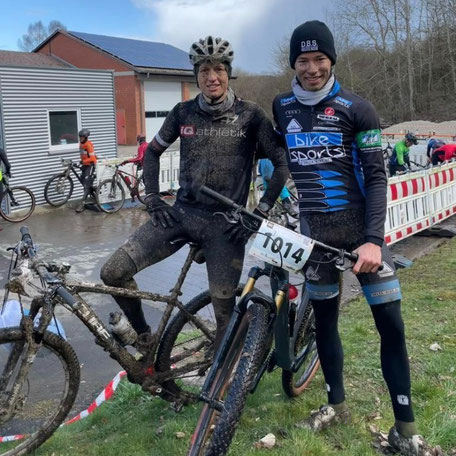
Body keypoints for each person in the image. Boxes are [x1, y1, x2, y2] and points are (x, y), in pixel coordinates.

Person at [272, 20, 435, 455]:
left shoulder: (357, 108)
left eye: (319, 59)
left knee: (391, 326)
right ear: (294, 63)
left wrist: (372, 239)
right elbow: (278, 159)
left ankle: (406, 427)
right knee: (325, 324)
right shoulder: (282, 106)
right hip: (316, 238)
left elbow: (378, 177)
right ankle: (336, 405)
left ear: (331, 61)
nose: (311, 68)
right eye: (303, 61)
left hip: (362, 236)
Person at [100, 36, 288, 351]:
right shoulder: (182, 112)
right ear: (195, 75)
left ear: (228, 73)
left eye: (218, 69)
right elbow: (152, 153)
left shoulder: (251, 115)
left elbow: (281, 165)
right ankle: (146, 338)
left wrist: (261, 211)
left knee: (224, 320)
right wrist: (153, 198)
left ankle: (226, 381)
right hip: (181, 215)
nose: (211, 77)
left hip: (225, 227)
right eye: (203, 70)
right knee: (113, 272)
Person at [76, 128, 97, 213]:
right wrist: (81, 163)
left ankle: (82, 204)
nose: (80, 138)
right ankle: (91, 190)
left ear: (86, 137)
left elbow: (92, 158)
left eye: (82, 137)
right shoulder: (81, 144)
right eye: (80, 137)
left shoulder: (88, 145)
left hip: (91, 165)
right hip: (85, 165)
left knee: (86, 185)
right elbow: (83, 156)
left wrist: (83, 161)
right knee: (84, 181)